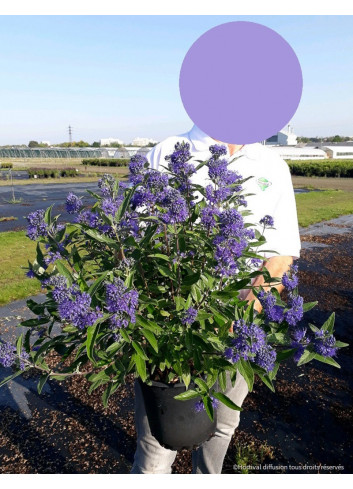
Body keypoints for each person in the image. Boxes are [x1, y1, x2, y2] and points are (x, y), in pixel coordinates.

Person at [130, 124, 301, 474]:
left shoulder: (272, 165)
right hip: (169, 335)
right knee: (155, 450)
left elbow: (281, 257)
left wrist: (238, 320)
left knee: (221, 429)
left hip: (237, 329)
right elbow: (132, 242)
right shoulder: (167, 151)